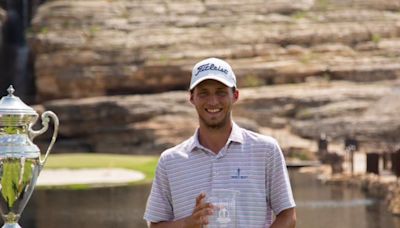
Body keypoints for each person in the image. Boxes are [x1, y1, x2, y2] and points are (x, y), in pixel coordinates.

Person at [144, 57, 296, 227]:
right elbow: (155, 225)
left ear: (235, 95)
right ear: (192, 98)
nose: (213, 101)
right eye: (203, 93)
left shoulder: (266, 150)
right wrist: (187, 224)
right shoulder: (170, 161)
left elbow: (288, 216)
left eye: (221, 92)